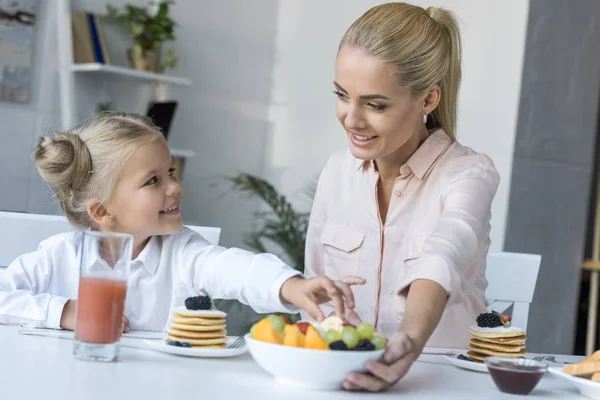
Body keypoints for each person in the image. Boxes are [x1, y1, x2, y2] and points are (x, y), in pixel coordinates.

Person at [0, 113, 363, 332]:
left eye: (170, 171)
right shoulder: (57, 257)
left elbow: (233, 268)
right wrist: (62, 311)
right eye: (153, 180)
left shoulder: (185, 253)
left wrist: (289, 285)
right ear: (101, 211)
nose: (175, 186)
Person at [303, 2, 500, 392]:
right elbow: (317, 288)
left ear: (427, 100)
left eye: (375, 105)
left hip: (444, 385)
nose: (352, 118)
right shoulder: (336, 172)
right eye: (342, 95)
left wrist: (409, 339)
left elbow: (444, 253)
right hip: (343, 380)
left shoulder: (468, 174)